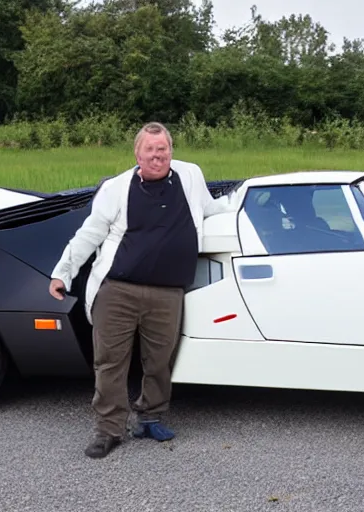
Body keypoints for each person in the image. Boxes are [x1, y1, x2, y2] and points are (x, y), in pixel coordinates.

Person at [49, 122, 235, 459]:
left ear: (171, 151)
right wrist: (63, 272)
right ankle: (108, 430)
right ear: (138, 154)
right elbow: (89, 233)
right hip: (119, 290)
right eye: (150, 150)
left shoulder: (190, 176)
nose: (157, 155)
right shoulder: (117, 189)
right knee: (110, 363)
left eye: (163, 149)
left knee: (160, 361)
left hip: (168, 292)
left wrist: (247, 206)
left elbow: (210, 208)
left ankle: (149, 417)